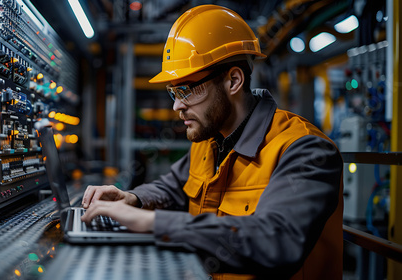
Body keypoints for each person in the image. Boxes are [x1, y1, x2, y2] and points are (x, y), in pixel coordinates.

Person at [81, 4, 343, 280]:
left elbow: (277, 241)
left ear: (233, 81)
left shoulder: (305, 150)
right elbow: (173, 188)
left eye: (186, 90)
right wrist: (133, 199)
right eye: (173, 92)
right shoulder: (208, 142)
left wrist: (154, 223)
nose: (177, 106)